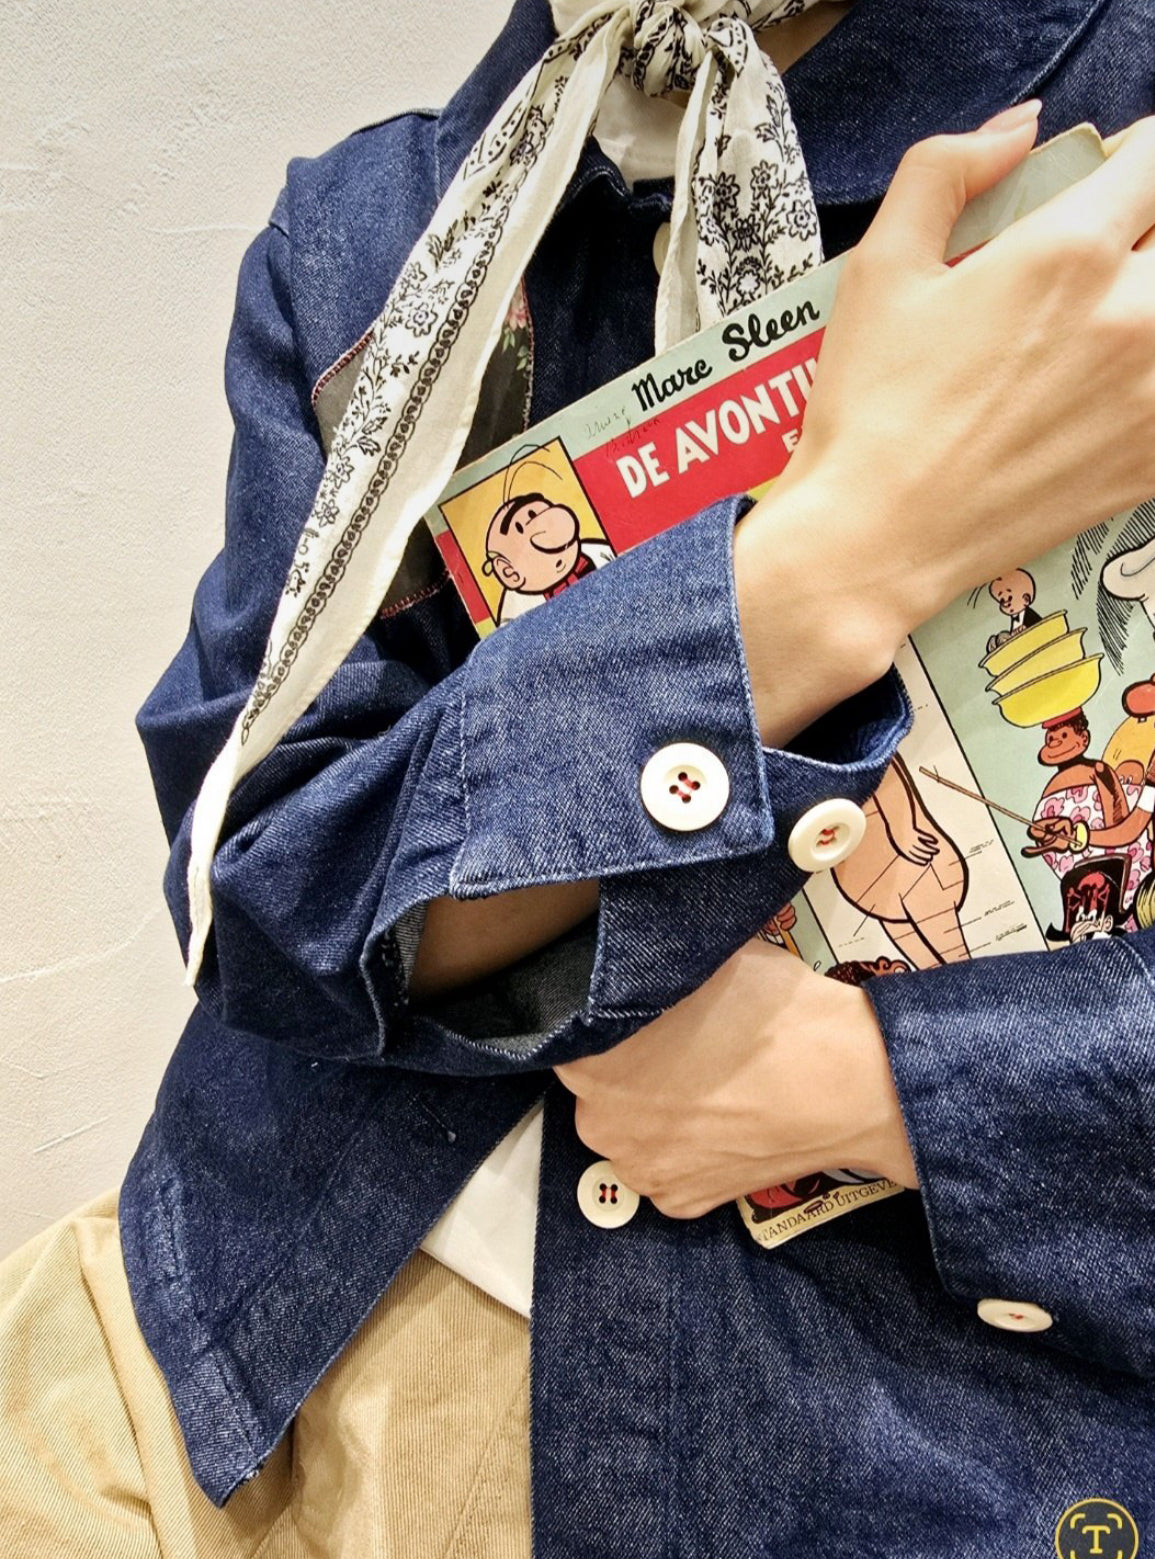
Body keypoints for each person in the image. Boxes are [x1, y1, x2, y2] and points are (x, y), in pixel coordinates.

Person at [2, 2, 1154, 1555]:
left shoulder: (1122, 146)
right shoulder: (382, 229)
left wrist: (893, 1089)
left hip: (903, 1472)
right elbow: (266, 895)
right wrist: (833, 564)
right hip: (196, 1362)